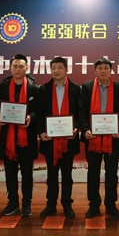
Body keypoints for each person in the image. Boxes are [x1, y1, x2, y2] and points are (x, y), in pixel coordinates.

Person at [79, 58, 119, 219]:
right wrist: (85, 130)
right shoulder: (87, 87)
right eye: (100, 68)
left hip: (113, 138)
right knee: (93, 172)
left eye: (106, 68)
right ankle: (93, 205)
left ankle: (111, 204)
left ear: (110, 70)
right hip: (92, 138)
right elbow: (81, 110)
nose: (103, 70)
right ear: (95, 71)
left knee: (112, 173)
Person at [36, 56, 80, 219]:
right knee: (51, 175)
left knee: (67, 175)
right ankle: (51, 204)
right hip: (50, 140)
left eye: (60, 67)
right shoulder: (44, 89)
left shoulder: (76, 89)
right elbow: (39, 113)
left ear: (66, 69)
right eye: (53, 68)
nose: (56, 70)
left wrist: (76, 127)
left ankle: (67, 204)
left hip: (68, 140)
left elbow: (79, 112)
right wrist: (41, 132)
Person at [0, 54, 39, 218]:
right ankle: (12, 203)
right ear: (10, 68)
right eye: (15, 66)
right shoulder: (4, 86)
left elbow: (39, 110)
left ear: (27, 68)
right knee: (10, 173)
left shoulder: (34, 88)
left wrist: (30, 117)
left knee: (27, 174)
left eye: (21, 66)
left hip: (26, 137)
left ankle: (27, 203)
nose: (18, 69)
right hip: (8, 137)